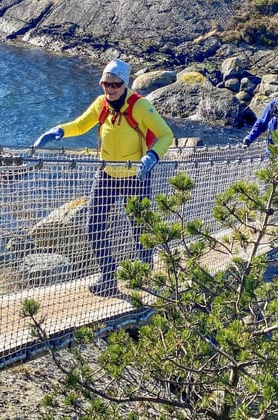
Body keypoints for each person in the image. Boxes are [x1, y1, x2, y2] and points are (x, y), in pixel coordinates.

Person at [33, 58, 174, 296]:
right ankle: (109, 277)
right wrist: (59, 130)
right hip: (106, 173)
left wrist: (152, 156)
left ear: (124, 84)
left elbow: (166, 135)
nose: (109, 89)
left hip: (135, 176)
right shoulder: (101, 104)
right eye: (105, 84)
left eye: (114, 85)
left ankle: (144, 274)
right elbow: (80, 125)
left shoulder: (139, 106)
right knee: (94, 226)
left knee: (139, 228)